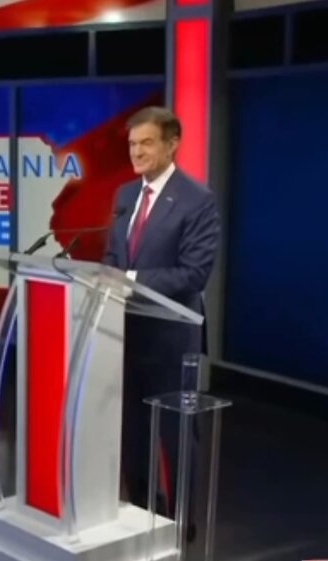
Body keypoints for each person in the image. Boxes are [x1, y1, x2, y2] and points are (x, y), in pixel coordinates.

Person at [101, 107, 221, 525]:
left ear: (172, 144)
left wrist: (128, 278)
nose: (137, 152)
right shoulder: (125, 196)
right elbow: (112, 257)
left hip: (172, 339)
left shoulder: (196, 200)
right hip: (125, 333)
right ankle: (139, 509)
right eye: (133, 144)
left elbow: (194, 273)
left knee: (174, 433)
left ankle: (182, 519)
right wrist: (108, 277)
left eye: (146, 142)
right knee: (132, 429)